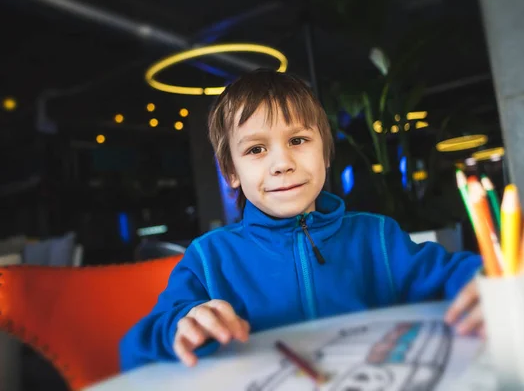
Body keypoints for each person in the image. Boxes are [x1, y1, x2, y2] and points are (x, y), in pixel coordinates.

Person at [119, 69, 483, 372]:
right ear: (231, 170)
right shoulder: (208, 259)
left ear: (325, 153)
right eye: (256, 149)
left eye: (297, 140)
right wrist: (180, 326)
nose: (282, 163)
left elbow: (456, 275)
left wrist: (483, 284)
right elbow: (134, 351)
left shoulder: (378, 238)